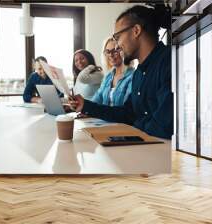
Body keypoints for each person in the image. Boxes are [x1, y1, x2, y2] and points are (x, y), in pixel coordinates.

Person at [70, 5, 173, 139]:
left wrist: (135, 125)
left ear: (136, 30)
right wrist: (86, 105)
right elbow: (128, 113)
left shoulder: (169, 60)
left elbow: (163, 125)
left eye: (118, 37)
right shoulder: (138, 73)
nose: (117, 46)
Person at [91, 37, 135, 106]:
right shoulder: (108, 77)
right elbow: (97, 98)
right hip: (105, 116)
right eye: (107, 51)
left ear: (123, 52)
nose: (110, 55)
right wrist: (83, 106)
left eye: (114, 51)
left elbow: (127, 108)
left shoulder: (133, 76)